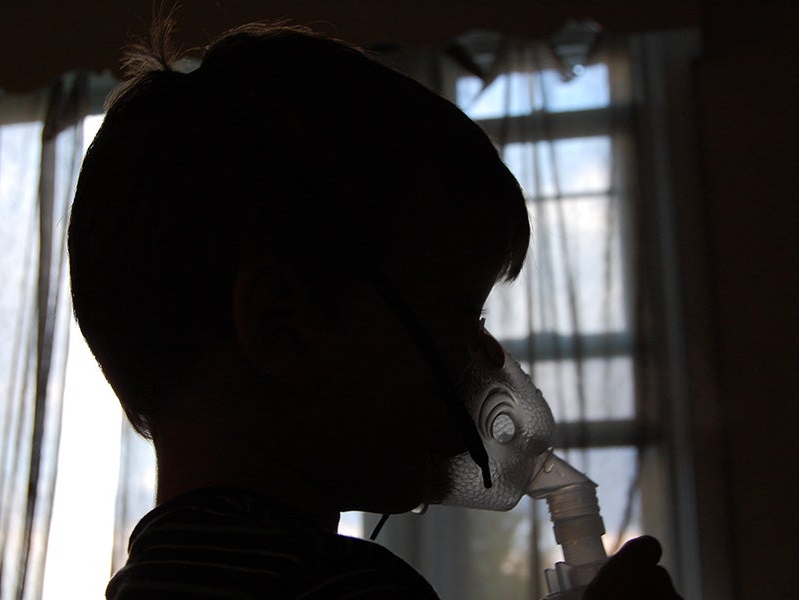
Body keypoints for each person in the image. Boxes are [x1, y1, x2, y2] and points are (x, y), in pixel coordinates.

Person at [68, 18, 682, 600]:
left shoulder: (146, 583)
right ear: (284, 327)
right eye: (462, 313)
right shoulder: (354, 591)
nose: (489, 356)